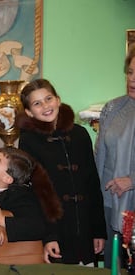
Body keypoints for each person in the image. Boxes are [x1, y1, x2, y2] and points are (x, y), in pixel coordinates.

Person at [16, 78, 107, 265]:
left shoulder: (80, 135)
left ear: (58, 100)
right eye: (37, 103)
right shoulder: (28, 141)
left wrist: (98, 230)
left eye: (48, 99)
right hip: (57, 230)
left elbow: (92, 184)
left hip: (86, 229)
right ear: (28, 112)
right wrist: (49, 236)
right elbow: (37, 192)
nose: (45, 106)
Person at [95, 45, 135, 268]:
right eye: (130, 72)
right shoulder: (113, 108)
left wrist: (131, 181)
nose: (132, 79)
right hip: (111, 204)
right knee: (113, 267)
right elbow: (99, 157)